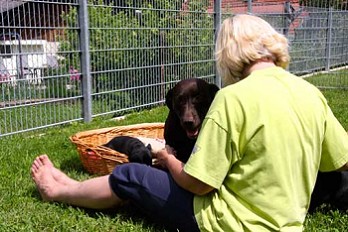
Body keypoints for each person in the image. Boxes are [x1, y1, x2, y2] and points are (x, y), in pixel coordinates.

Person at [31, 14, 348, 231]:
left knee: (130, 174)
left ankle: (60, 191)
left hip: (229, 224)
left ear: (227, 54)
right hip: (289, 224)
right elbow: (341, 162)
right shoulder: (310, 93)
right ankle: (67, 187)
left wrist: (168, 159)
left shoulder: (233, 97)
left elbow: (199, 184)